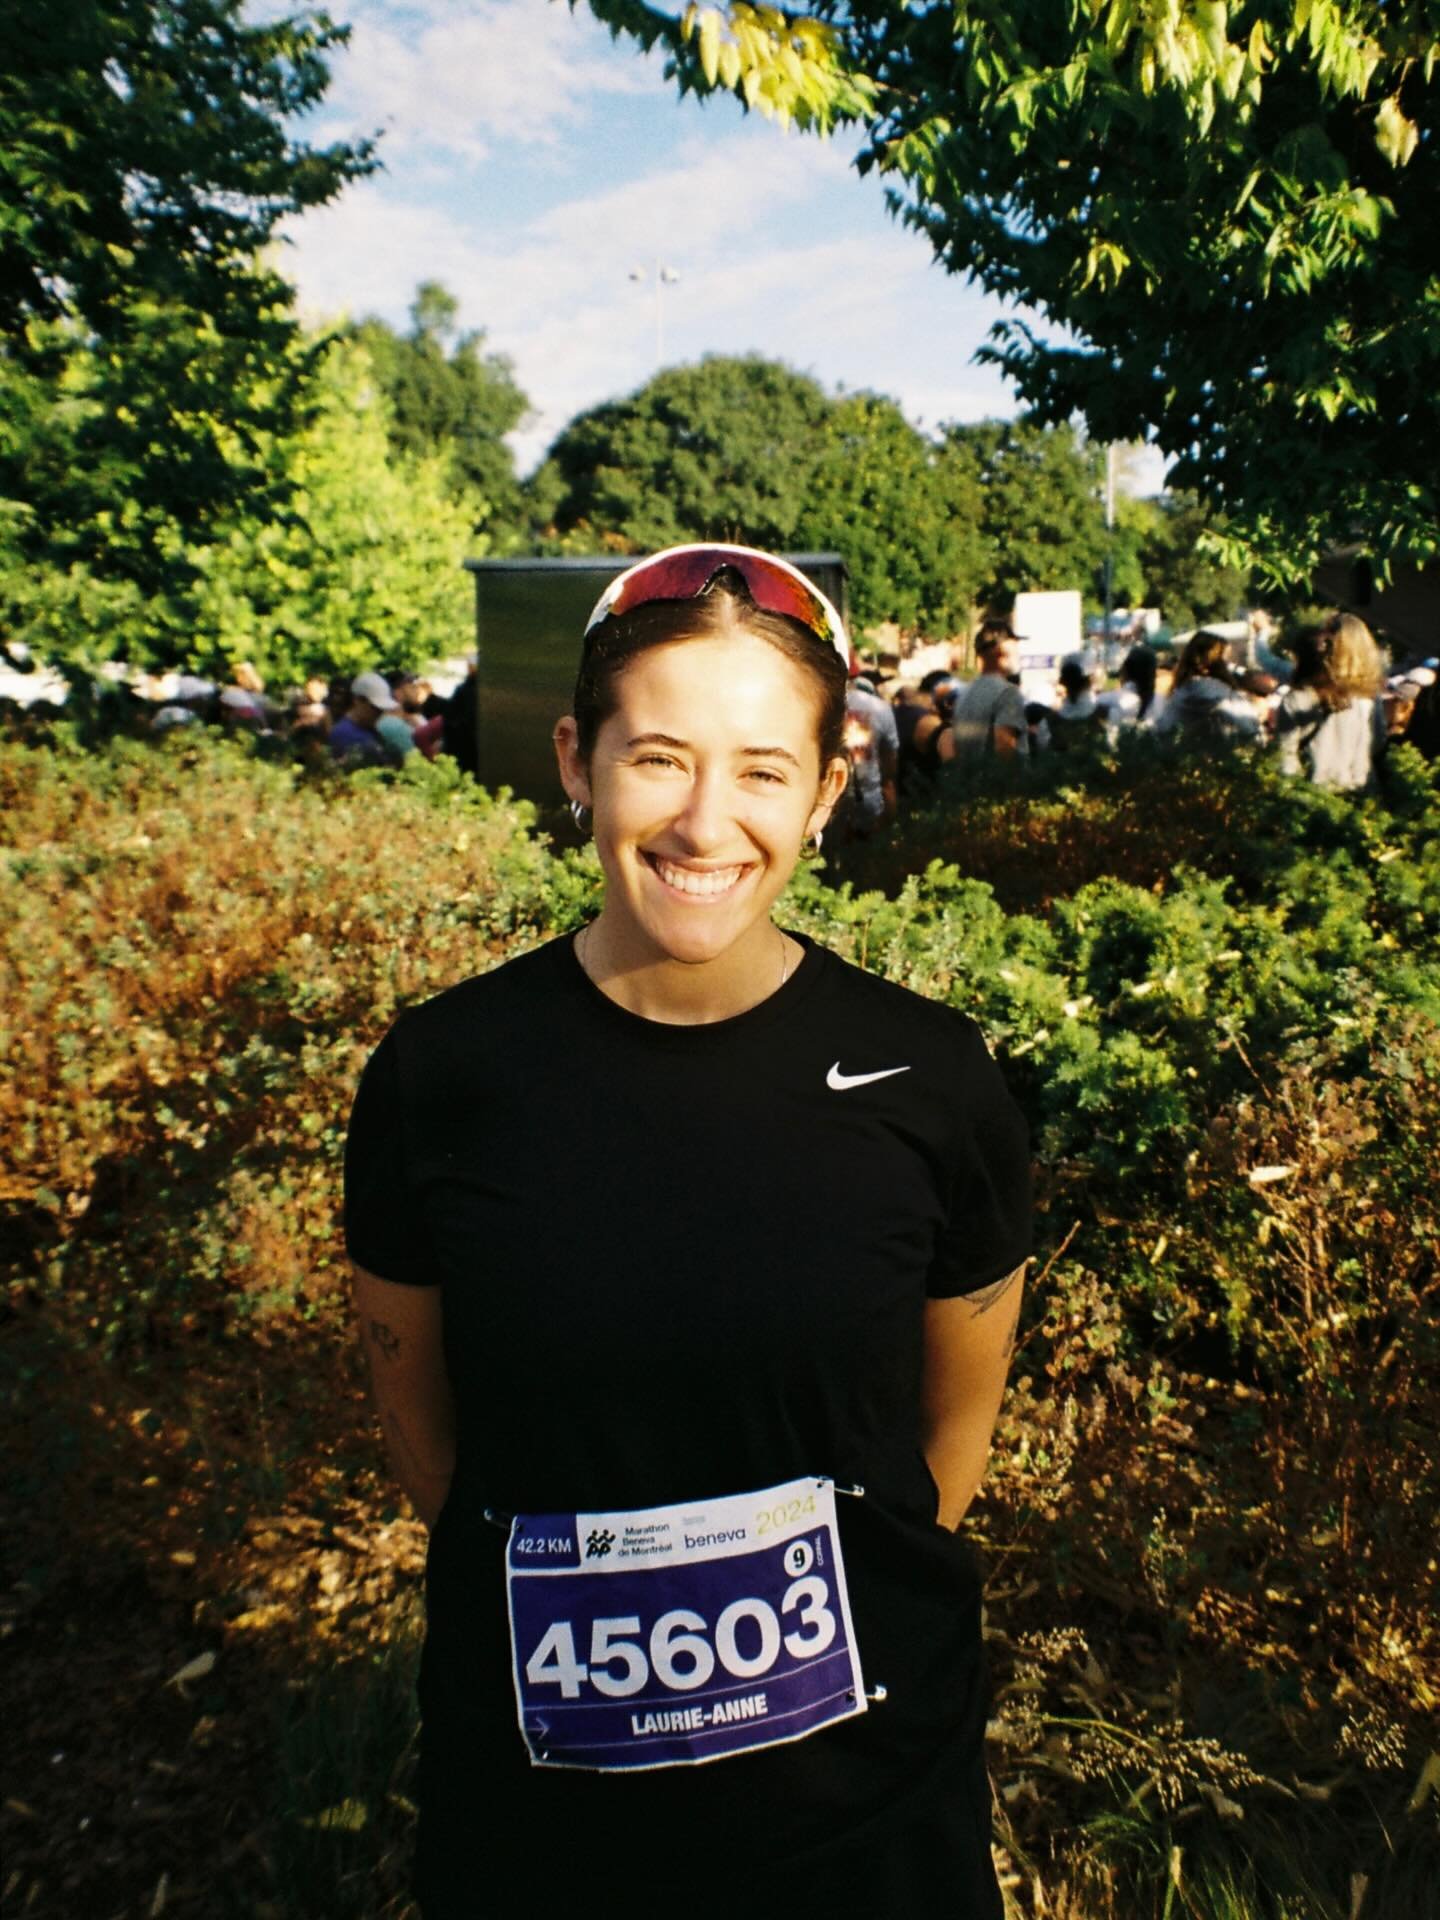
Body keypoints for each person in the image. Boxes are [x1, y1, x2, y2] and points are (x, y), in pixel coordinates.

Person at [343, 543, 1033, 1919]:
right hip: (544, 1812)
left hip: (864, 1809)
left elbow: (947, 1441)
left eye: (763, 769)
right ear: (575, 762)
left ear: (829, 791)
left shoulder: (934, 1078)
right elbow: (418, 1414)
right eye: (657, 757)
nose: (705, 820)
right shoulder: (442, 1076)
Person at [1270, 612, 1386, 790]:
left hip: (1313, 793)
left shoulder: (1299, 699)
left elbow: (1285, 758)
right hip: (1360, 794)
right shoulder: (1369, 698)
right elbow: (1377, 742)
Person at [1154, 630, 1260, 747]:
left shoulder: (1181, 690)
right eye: (1227, 657)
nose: (1230, 663)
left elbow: (1163, 728)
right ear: (1215, 659)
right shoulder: (1213, 689)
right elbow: (1247, 725)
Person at [950, 624, 1028, 762]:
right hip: (997, 782)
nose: (1017, 655)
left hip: (968, 779)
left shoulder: (964, 693)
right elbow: (1005, 748)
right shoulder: (1008, 693)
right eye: (1013, 649)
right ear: (999, 653)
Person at [329, 669, 404, 766]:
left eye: (381, 709)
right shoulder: (343, 733)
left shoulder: (370, 730)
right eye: (374, 707)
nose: (379, 713)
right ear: (357, 700)